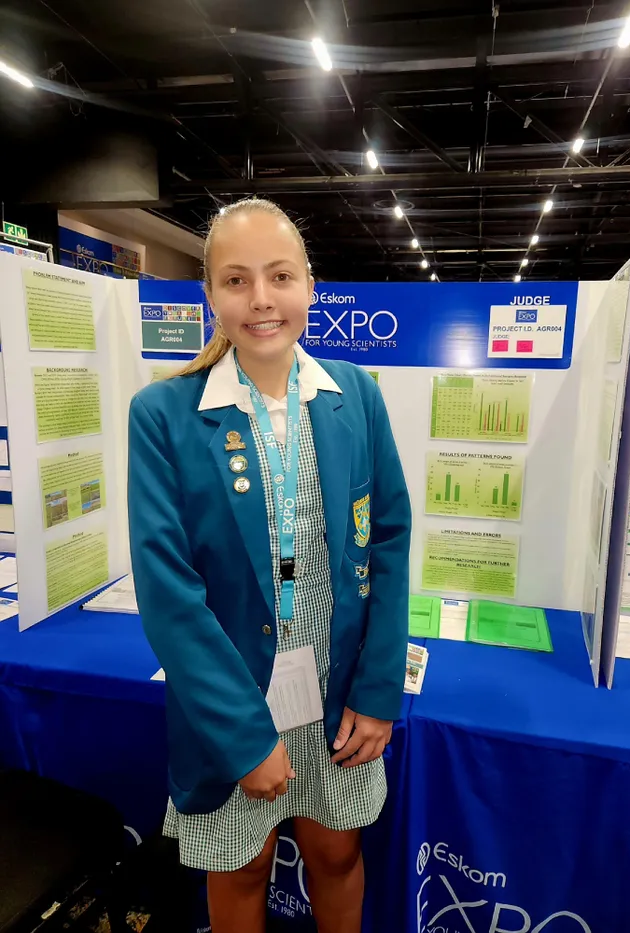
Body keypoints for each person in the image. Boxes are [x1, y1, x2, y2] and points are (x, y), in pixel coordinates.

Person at [127, 198, 411, 933]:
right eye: (236, 280)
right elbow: (168, 592)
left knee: (336, 853)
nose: (261, 299)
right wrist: (243, 736)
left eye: (280, 276)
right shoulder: (163, 414)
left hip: (337, 687)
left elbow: (388, 540)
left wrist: (379, 689)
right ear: (210, 295)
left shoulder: (357, 396)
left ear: (310, 285)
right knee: (242, 866)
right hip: (233, 694)